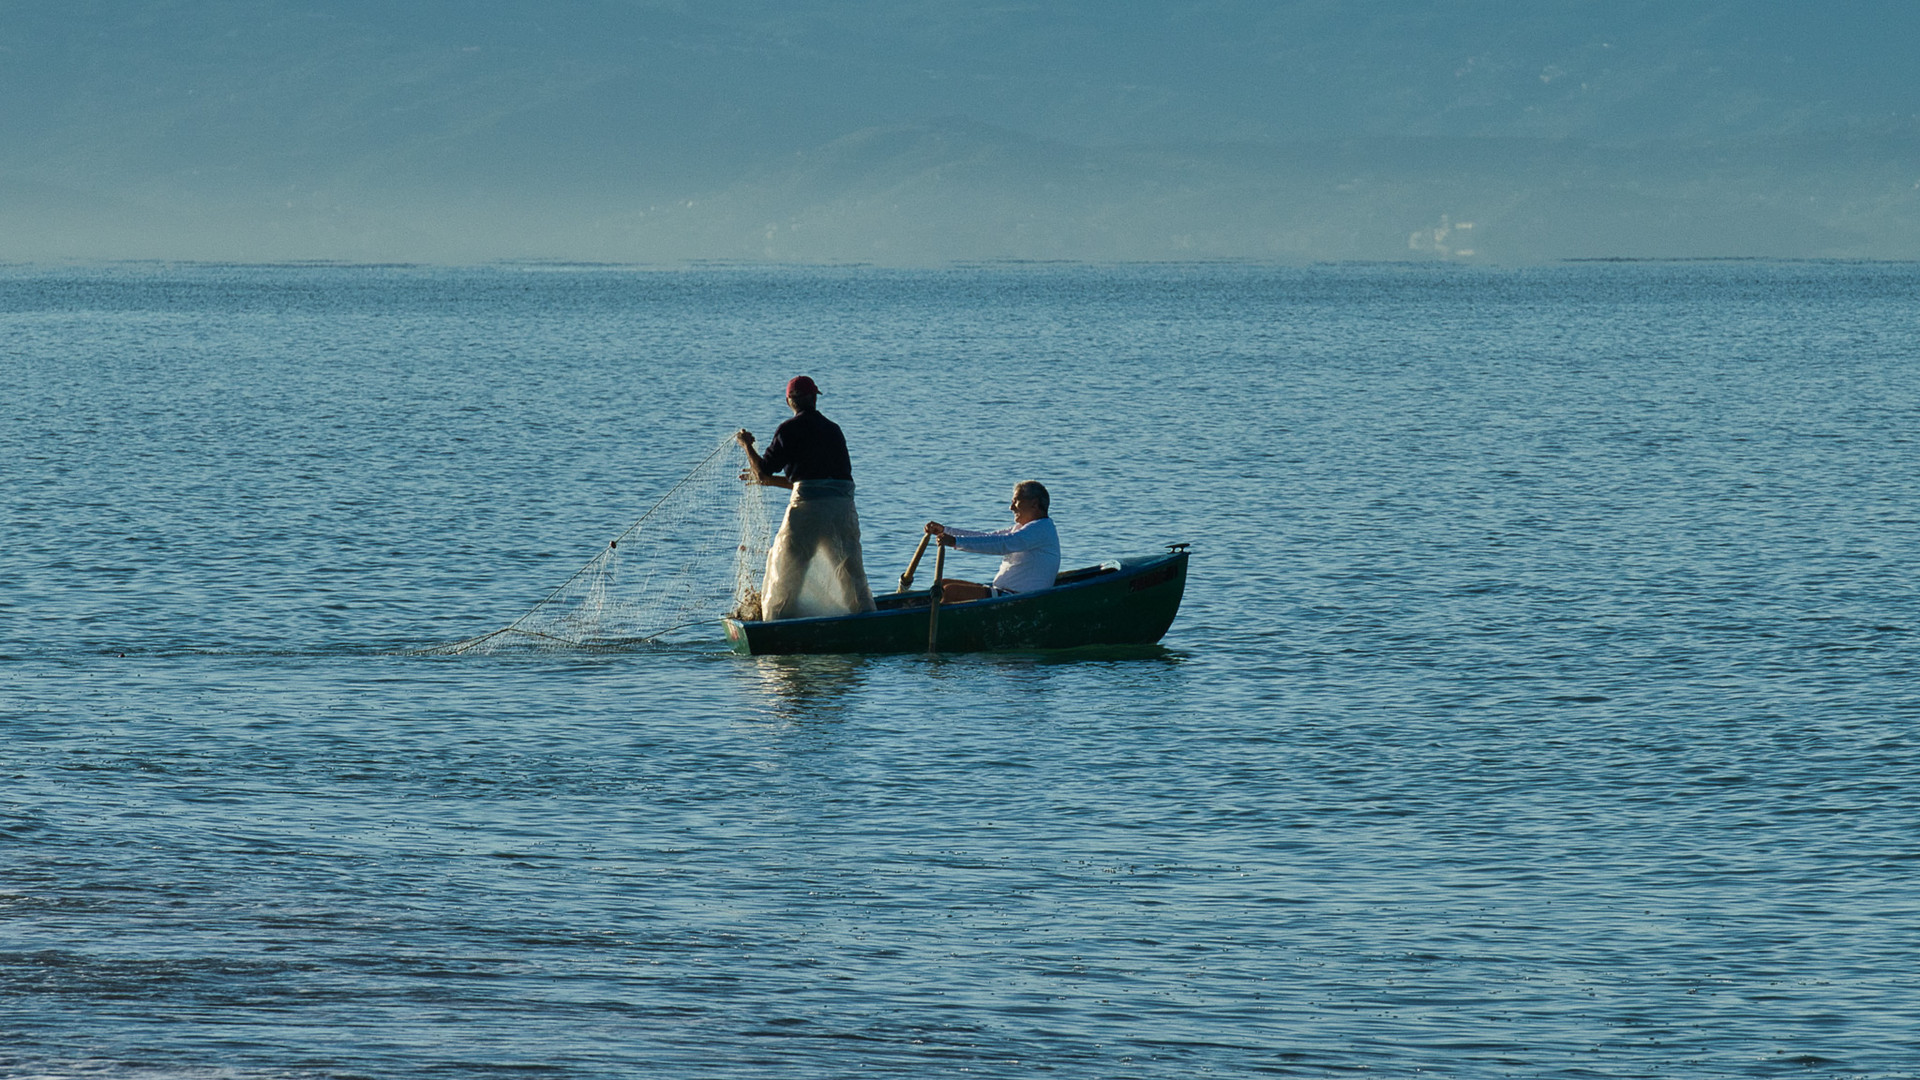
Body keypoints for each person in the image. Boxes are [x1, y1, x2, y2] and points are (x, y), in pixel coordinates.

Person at [736, 376, 877, 621]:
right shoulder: (833, 429)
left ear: (789, 401)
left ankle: (779, 623)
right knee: (848, 570)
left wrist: (747, 445)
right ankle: (865, 618)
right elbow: (820, 483)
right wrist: (769, 481)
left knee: (788, 571)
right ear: (814, 399)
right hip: (842, 510)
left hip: (807, 513)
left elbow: (763, 471)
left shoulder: (788, 429)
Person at [923, 480, 1060, 603]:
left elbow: (1001, 544)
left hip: (1018, 598)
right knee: (942, 584)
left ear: (1034, 504)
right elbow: (986, 537)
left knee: (952, 591)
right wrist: (945, 531)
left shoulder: (1041, 529)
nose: (1011, 508)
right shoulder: (1023, 528)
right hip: (1002, 592)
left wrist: (955, 541)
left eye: (1016, 501)